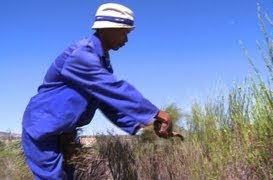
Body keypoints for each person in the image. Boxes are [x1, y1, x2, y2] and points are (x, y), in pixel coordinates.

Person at [22, 3, 173, 179]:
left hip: (63, 132)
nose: (126, 39)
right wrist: (155, 113)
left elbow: (108, 102)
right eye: (124, 32)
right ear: (107, 29)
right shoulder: (82, 54)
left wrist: (144, 126)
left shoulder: (101, 61)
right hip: (43, 127)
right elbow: (113, 89)